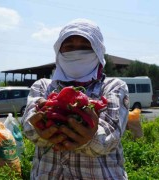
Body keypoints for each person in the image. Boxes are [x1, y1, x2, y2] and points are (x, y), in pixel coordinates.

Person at [21, 18, 129, 179]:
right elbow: (29, 127)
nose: (76, 53)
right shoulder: (43, 87)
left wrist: (91, 136)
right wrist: (39, 129)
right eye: (69, 47)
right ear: (59, 50)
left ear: (98, 51)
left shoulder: (113, 86)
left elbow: (109, 137)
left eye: (85, 47)